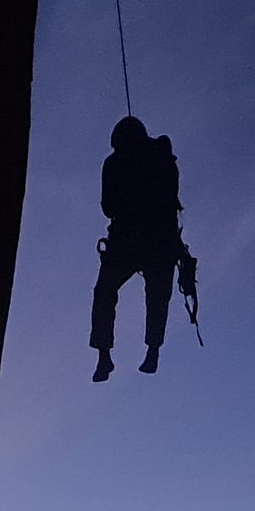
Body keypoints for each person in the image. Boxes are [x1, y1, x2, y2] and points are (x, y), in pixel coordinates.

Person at [90, 116, 185, 381]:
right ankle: (142, 352)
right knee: (153, 296)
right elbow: (110, 206)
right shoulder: (154, 156)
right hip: (150, 240)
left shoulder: (122, 162)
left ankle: (111, 356)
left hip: (141, 240)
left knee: (110, 293)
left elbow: (108, 206)